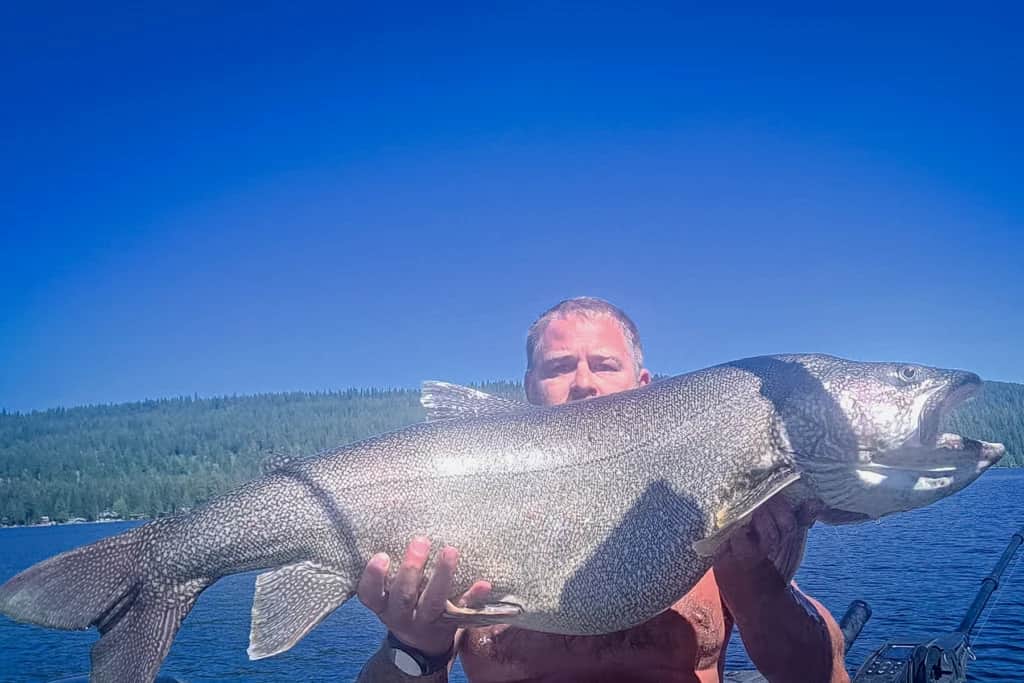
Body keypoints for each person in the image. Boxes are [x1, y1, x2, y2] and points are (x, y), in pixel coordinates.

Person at [357, 297, 848, 682]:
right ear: (529, 388)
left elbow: (818, 675)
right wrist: (414, 647)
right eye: (558, 367)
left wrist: (758, 583)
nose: (583, 383)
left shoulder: (704, 504)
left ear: (646, 386)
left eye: (605, 365)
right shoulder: (466, 524)